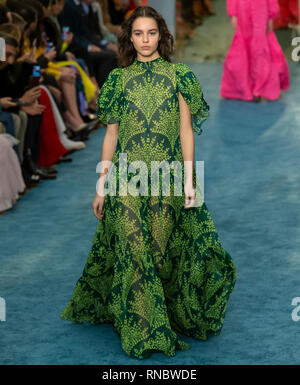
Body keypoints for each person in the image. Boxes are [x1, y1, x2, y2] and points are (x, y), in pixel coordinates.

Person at [60, 5, 237, 360]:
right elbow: (110, 136)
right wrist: (101, 184)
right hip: (127, 178)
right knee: (133, 251)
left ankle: (144, 309)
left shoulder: (180, 76)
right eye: (138, 33)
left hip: (166, 179)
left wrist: (190, 181)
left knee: (156, 255)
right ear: (130, 37)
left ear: (162, 36)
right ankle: (145, 333)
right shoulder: (118, 80)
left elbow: (186, 131)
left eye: (151, 33)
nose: (145, 40)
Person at [220, 0, 290, 102]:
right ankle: (246, 87)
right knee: (244, 45)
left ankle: (260, 87)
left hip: (261, 9)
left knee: (260, 47)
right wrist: (233, 14)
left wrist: (271, 15)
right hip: (242, 8)